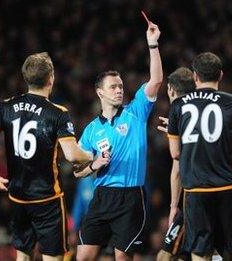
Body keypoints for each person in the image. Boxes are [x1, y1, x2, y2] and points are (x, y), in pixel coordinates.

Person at [0, 52, 93, 261]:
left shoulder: (6, 106)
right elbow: (72, 155)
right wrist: (91, 155)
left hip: (18, 196)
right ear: (51, 79)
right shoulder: (57, 112)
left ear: (25, 77)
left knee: (23, 255)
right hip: (47, 198)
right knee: (52, 256)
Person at [74, 18, 163, 261]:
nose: (119, 90)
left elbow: (155, 81)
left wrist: (152, 45)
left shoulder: (136, 112)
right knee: (83, 257)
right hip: (101, 197)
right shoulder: (91, 130)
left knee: (122, 258)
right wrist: (94, 165)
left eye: (121, 86)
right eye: (113, 87)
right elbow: (77, 171)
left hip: (131, 196)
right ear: (100, 92)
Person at [168, 52, 232, 261]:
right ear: (220, 75)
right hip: (229, 188)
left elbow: (175, 153)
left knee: (200, 253)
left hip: (195, 190)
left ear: (195, 77)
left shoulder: (178, 105)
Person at [156, 67, 196, 261]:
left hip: (193, 197)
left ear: (171, 90)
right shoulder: (202, 110)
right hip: (221, 193)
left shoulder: (177, 111)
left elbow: (177, 164)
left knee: (165, 254)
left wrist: (173, 206)